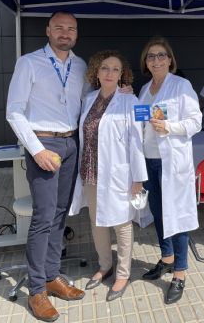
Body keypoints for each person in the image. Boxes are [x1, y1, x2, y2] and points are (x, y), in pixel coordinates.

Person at [6, 12, 87, 321]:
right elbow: (14, 111)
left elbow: (86, 102)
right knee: (42, 217)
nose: (65, 33)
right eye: (59, 28)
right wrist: (36, 150)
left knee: (58, 215)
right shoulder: (29, 63)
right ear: (48, 31)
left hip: (70, 144)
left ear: (76, 34)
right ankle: (37, 290)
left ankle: (52, 276)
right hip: (44, 144)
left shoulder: (80, 66)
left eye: (71, 29)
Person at [67, 50, 147, 301]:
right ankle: (105, 266)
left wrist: (137, 178)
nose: (110, 72)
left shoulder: (129, 101)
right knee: (96, 220)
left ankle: (123, 274)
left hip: (118, 173)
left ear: (122, 73)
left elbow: (137, 141)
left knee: (121, 222)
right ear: (96, 72)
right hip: (90, 171)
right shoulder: (88, 98)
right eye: (105, 68)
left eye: (115, 68)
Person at [138, 37, 202, 304]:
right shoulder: (144, 89)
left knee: (178, 216)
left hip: (172, 162)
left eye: (161, 55)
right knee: (158, 212)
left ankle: (180, 273)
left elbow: (195, 121)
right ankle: (167, 258)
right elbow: (140, 123)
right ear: (146, 61)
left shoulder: (181, 85)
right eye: (151, 56)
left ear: (170, 59)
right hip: (149, 160)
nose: (156, 60)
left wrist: (170, 127)